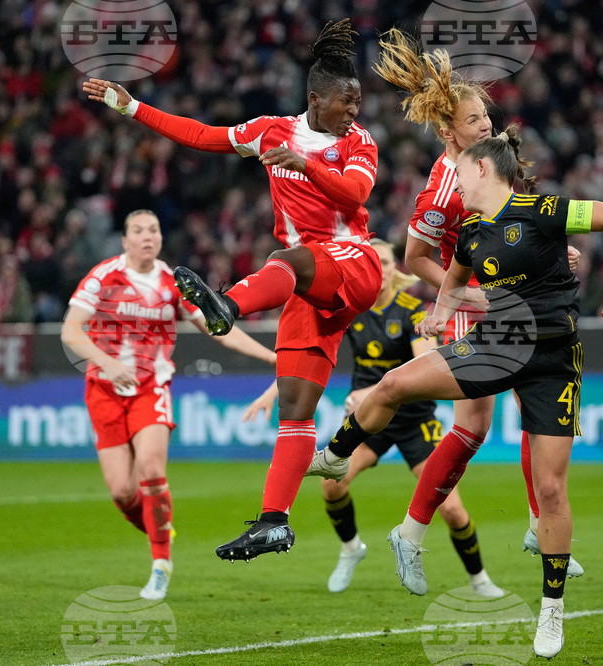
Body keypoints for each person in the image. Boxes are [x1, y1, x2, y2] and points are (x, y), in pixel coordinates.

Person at [307, 134, 603, 659]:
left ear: (482, 168)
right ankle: (334, 455)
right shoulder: (472, 235)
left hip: (552, 364)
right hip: (495, 346)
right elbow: (453, 280)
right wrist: (441, 314)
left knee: (550, 490)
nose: (453, 183)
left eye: (458, 173)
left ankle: (552, 612)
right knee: (393, 384)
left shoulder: (542, 208)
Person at [83, 19, 384, 561]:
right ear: (317, 98)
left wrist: (307, 165)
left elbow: (354, 192)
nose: (354, 112)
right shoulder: (272, 131)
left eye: (358, 102)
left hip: (353, 264)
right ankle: (274, 522)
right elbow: (202, 135)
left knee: (283, 259)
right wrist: (132, 108)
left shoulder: (358, 144)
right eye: (346, 102)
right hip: (305, 287)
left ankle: (227, 304)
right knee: (294, 408)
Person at [372, 28, 583, 577]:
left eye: (485, 116)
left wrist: (559, 254)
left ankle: (437, 529)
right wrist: (465, 293)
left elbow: (523, 223)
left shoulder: (491, 167)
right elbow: (415, 254)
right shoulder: (445, 186)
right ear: (447, 131)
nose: (486, 125)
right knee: (479, 424)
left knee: (502, 419)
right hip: (481, 305)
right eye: (474, 121)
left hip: (511, 301)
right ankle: (417, 529)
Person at [242, 239, 504, 597]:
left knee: (453, 511)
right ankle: (351, 549)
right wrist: (273, 393)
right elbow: (309, 357)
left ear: (394, 269)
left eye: (385, 261)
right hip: (368, 422)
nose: (379, 269)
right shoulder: (352, 308)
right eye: (374, 261)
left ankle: (479, 577)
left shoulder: (413, 309)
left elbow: (424, 364)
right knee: (332, 485)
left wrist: (372, 391)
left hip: (413, 420)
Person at [61, 210, 276, 600]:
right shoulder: (103, 276)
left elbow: (219, 330)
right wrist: (109, 364)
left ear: (161, 239)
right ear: (125, 241)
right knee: (124, 492)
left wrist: (274, 359)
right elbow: (70, 331)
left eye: (154, 230)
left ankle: (161, 564)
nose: (147, 236)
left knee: (151, 467)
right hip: (104, 389)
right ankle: (162, 529)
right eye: (138, 231)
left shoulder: (170, 284)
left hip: (150, 386)